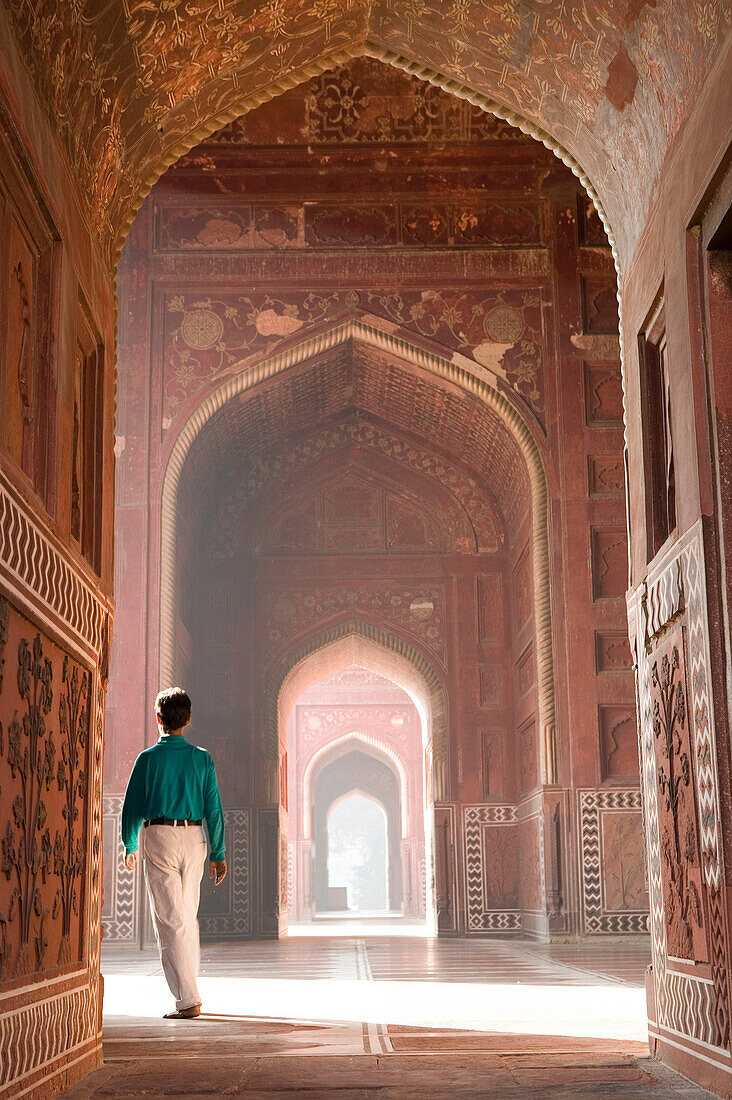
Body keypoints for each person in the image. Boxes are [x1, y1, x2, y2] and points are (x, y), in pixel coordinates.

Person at [121, 687, 227, 1019]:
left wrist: (130, 843)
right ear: (188, 719)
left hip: (160, 836)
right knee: (185, 916)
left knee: (171, 921)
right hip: (195, 839)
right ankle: (189, 990)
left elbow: (131, 808)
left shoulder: (148, 759)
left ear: (158, 719)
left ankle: (188, 999)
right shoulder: (202, 758)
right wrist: (218, 852)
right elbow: (214, 809)